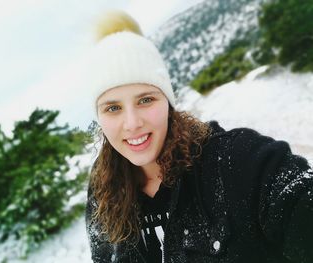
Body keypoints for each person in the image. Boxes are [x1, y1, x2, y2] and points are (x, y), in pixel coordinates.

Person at [84, 10, 313, 263]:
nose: (132, 123)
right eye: (113, 108)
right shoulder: (102, 192)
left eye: (146, 100)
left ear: (168, 101)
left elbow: (295, 197)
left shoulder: (234, 161)